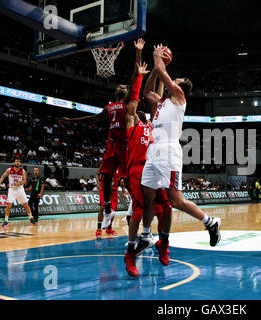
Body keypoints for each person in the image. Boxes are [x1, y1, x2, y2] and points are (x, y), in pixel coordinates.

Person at [138, 44, 221, 262]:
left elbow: (165, 76)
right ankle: (146, 235)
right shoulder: (162, 102)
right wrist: (156, 68)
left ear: (181, 86)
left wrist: (159, 59)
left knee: (176, 201)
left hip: (168, 152)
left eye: (177, 79)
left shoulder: (179, 97)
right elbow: (146, 92)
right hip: (154, 151)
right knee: (148, 195)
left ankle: (210, 222)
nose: (173, 79)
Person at [60, 39, 145, 222]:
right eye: (121, 87)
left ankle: (137, 202)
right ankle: (107, 207)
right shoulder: (109, 108)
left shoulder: (126, 103)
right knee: (106, 176)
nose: (124, 87)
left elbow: (135, 73)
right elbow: (91, 119)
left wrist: (138, 52)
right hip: (112, 144)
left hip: (125, 145)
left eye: (126, 86)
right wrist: (71, 120)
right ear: (116, 92)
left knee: (128, 179)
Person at [123, 64, 173, 277]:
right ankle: (131, 251)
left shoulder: (154, 126)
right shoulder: (132, 126)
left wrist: (161, 71)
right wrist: (139, 77)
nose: (141, 113)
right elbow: (133, 104)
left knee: (167, 208)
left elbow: (158, 100)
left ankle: (163, 242)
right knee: (139, 211)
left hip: (153, 169)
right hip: (135, 172)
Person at [0, 158, 36, 227]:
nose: (17, 162)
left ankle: (30, 217)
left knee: (25, 204)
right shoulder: (9, 170)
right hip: (12, 189)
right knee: (9, 205)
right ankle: (6, 220)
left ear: (20, 163)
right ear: (14, 163)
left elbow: (24, 181)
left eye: (18, 162)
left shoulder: (22, 171)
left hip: (20, 189)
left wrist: (19, 183)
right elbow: (3, 176)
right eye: (16, 161)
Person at [95, 167, 128, 239]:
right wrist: (98, 182)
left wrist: (123, 192)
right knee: (102, 208)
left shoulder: (119, 166)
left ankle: (109, 229)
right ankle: (98, 230)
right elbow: (97, 174)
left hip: (114, 192)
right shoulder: (106, 164)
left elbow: (122, 181)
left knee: (112, 212)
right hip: (105, 190)